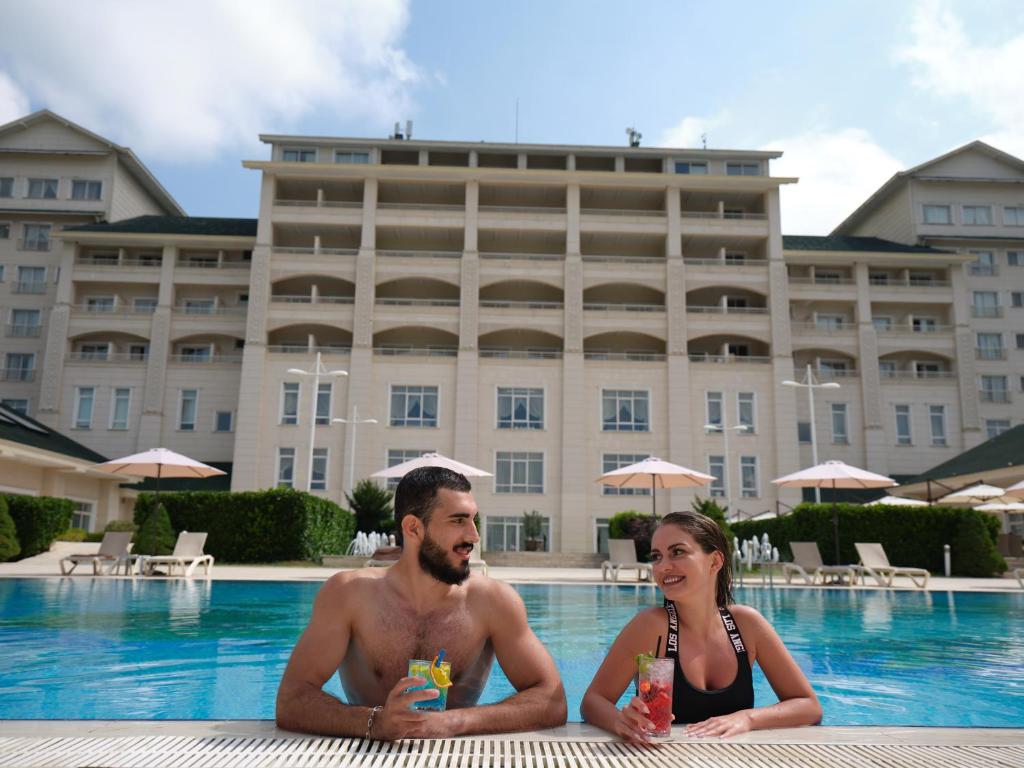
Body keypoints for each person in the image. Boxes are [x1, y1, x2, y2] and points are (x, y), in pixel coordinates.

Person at [276, 466, 567, 739]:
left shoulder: (493, 602)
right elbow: (291, 700)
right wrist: (376, 723)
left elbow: (552, 701)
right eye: (458, 520)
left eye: (473, 520)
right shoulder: (349, 595)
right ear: (414, 528)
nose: (474, 536)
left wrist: (455, 722)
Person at [581, 511, 821, 742]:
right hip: (662, 758)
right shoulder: (651, 627)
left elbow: (809, 706)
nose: (663, 566)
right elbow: (593, 701)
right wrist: (621, 722)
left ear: (714, 561)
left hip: (734, 760)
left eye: (677, 552)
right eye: (656, 556)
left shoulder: (746, 625)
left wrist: (748, 718)